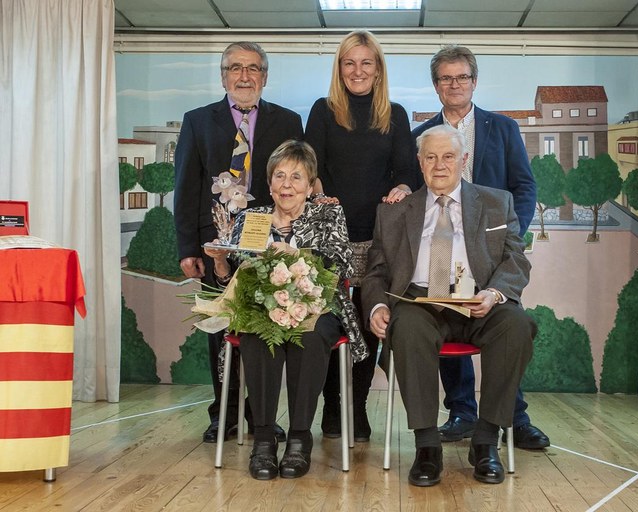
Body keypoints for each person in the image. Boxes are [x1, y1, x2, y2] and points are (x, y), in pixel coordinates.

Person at [363, 125, 536, 486]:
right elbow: (376, 272)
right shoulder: (394, 213)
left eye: (448, 156)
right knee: (406, 326)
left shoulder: (495, 202)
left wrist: (494, 294)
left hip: (478, 300)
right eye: (430, 157)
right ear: (419, 162)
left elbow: (516, 260)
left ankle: (486, 441)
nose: (439, 165)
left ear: (463, 160)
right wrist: (377, 307)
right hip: (420, 301)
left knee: (516, 325)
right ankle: (427, 447)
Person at [411, 44, 549, 450]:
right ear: (436, 85)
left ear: (474, 81)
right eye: (445, 78)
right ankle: (461, 412)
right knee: (443, 322)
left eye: (462, 77)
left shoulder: (502, 128)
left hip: (490, 252)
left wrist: (510, 234)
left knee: (505, 330)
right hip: (440, 245)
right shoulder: (420, 136)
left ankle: (513, 417)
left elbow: (523, 186)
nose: (454, 84)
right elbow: (417, 189)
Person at [204, 140, 367, 480]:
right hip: (263, 306)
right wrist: (221, 264)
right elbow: (230, 284)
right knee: (256, 330)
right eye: (280, 176)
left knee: (312, 334)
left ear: (310, 186)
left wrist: (295, 257)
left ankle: (299, 439)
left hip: (318, 305)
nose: (287, 185)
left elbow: (342, 264)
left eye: (296, 177)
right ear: (269, 183)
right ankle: (263, 440)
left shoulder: (328, 214)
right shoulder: (252, 217)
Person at [174, 42, 303, 444]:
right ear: (223, 76)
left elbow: (297, 185)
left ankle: (261, 415)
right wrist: (188, 248)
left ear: (264, 76)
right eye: (235, 68)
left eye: (252, 69)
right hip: (216, 247)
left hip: (272, 243)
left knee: (267, 330)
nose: (244, 76)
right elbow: (186, 186)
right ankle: (224, 415)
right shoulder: (197, 121)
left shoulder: (288, 121)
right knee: (221, 333)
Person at [304, 30, 419, 442]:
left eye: (366, 62)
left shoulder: (396, 114)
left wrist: (404, 187)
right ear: (340, 68)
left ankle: (357, 405)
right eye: (349, 63)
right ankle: (332, 409)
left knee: (369, 325)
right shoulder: (322, 111)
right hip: (331, 236)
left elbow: (408, 172)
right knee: (332, 320)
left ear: (378, 68)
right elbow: (310, 166)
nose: (358, 70)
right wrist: (316, 186)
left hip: (377, 238)